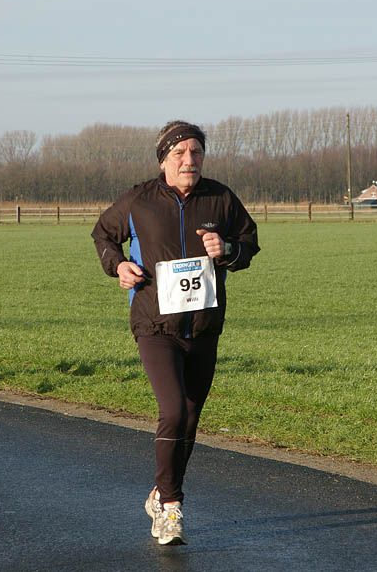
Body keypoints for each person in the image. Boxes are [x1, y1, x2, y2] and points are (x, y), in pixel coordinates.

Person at [91, 120, 260, 546]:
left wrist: (228, 250)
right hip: (154, 324)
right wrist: (118, 265)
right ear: (163, 159)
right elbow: (103, 234)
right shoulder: (140, 200)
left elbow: (249, 243)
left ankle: (161, 492)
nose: (190, 160)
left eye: (196, 152)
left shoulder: (220, 198)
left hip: (204, 326)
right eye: (180, 153)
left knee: (190, 414)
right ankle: (170, 506)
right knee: (173, 410)